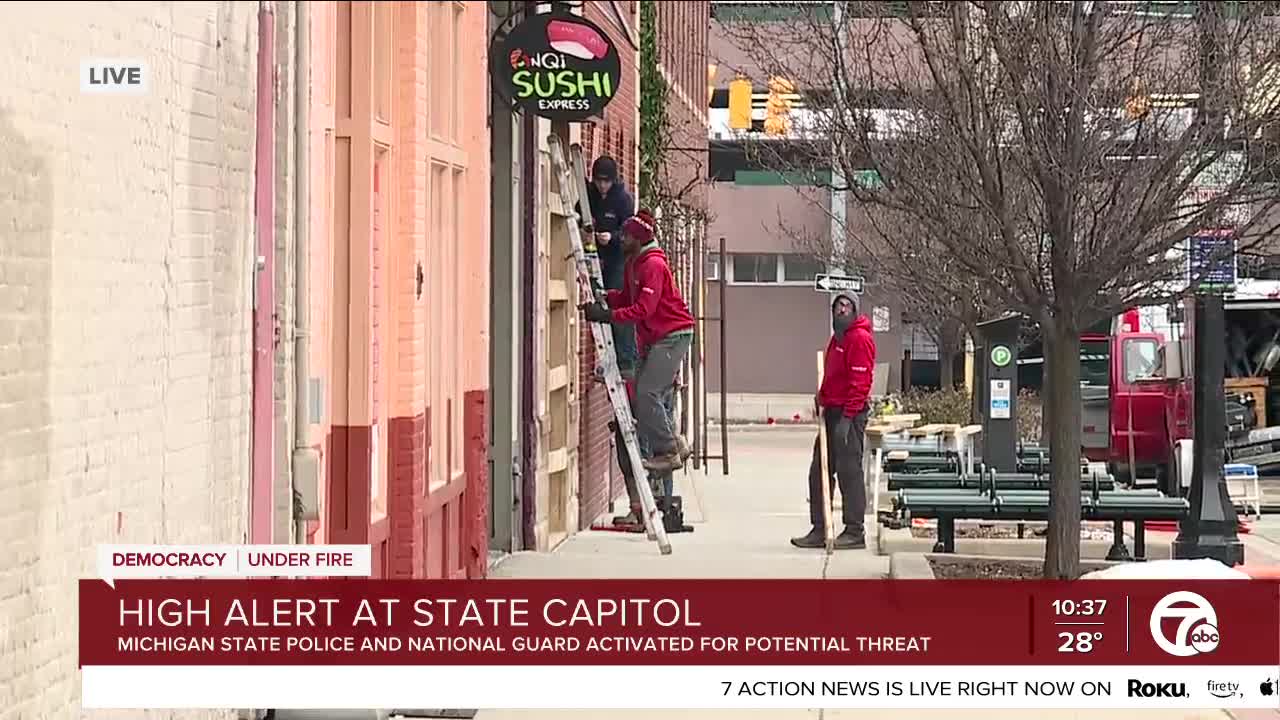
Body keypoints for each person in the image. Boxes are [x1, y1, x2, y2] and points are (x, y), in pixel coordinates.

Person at [581, 209, 694, 473]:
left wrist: (607, 316)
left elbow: (644, 309)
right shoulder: (635, 262)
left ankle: (667, 452)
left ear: (639, 238)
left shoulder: (653, 265)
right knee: (645, 394)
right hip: (658, 337)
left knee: (647, 393)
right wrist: (607, 297)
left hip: (673, 335)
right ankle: (677, 444)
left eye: (627, 235)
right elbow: (629, 297)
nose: (622, 238)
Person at [791, 293, 876, 550]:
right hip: (832, 412)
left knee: (849, 472)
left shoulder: (859, 339)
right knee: (820, 471)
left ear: (855, 310)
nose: (842, 310)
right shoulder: (837, 338)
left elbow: (860, 383)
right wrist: (822, 397)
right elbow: (833, 375)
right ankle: (821, 527)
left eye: (847, 306)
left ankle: (854, 531)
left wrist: (848, 419)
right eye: (838, 306)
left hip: (850, 414)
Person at [582, 156, 638, 377]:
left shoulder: (623, 200)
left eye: (606, 182)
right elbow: (581, 213)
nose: (602, 186)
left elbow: (628, 233)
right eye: (598, 181)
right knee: (598, 307)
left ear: (613, 181)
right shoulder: (590, 195)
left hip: (617, 259)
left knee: (617, 308)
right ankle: (607, 359)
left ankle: (625, 360)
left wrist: (612, 238)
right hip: (595, 257)